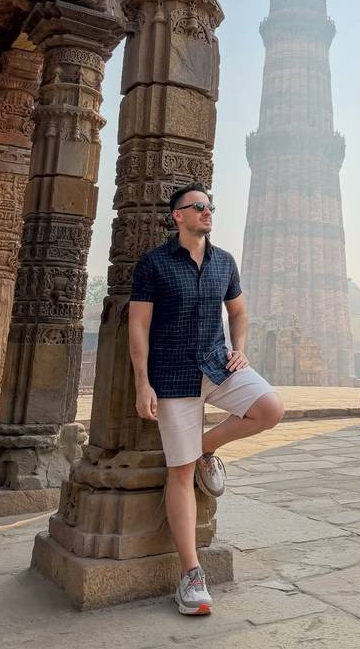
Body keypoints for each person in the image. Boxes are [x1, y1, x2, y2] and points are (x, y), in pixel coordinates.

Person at [128, 183, 284, 615]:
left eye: (210, 206)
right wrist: (143, 382)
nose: (207, 211)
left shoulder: (223, 262)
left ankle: (206, 450)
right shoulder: (155, 263)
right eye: (198, 207)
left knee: (270, 408)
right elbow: (138, 326)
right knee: (177, 473)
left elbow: (238, 311)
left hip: (218, 364)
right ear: (178, 216)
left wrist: (240, 346)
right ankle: (191, 574)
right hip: (173, 374)